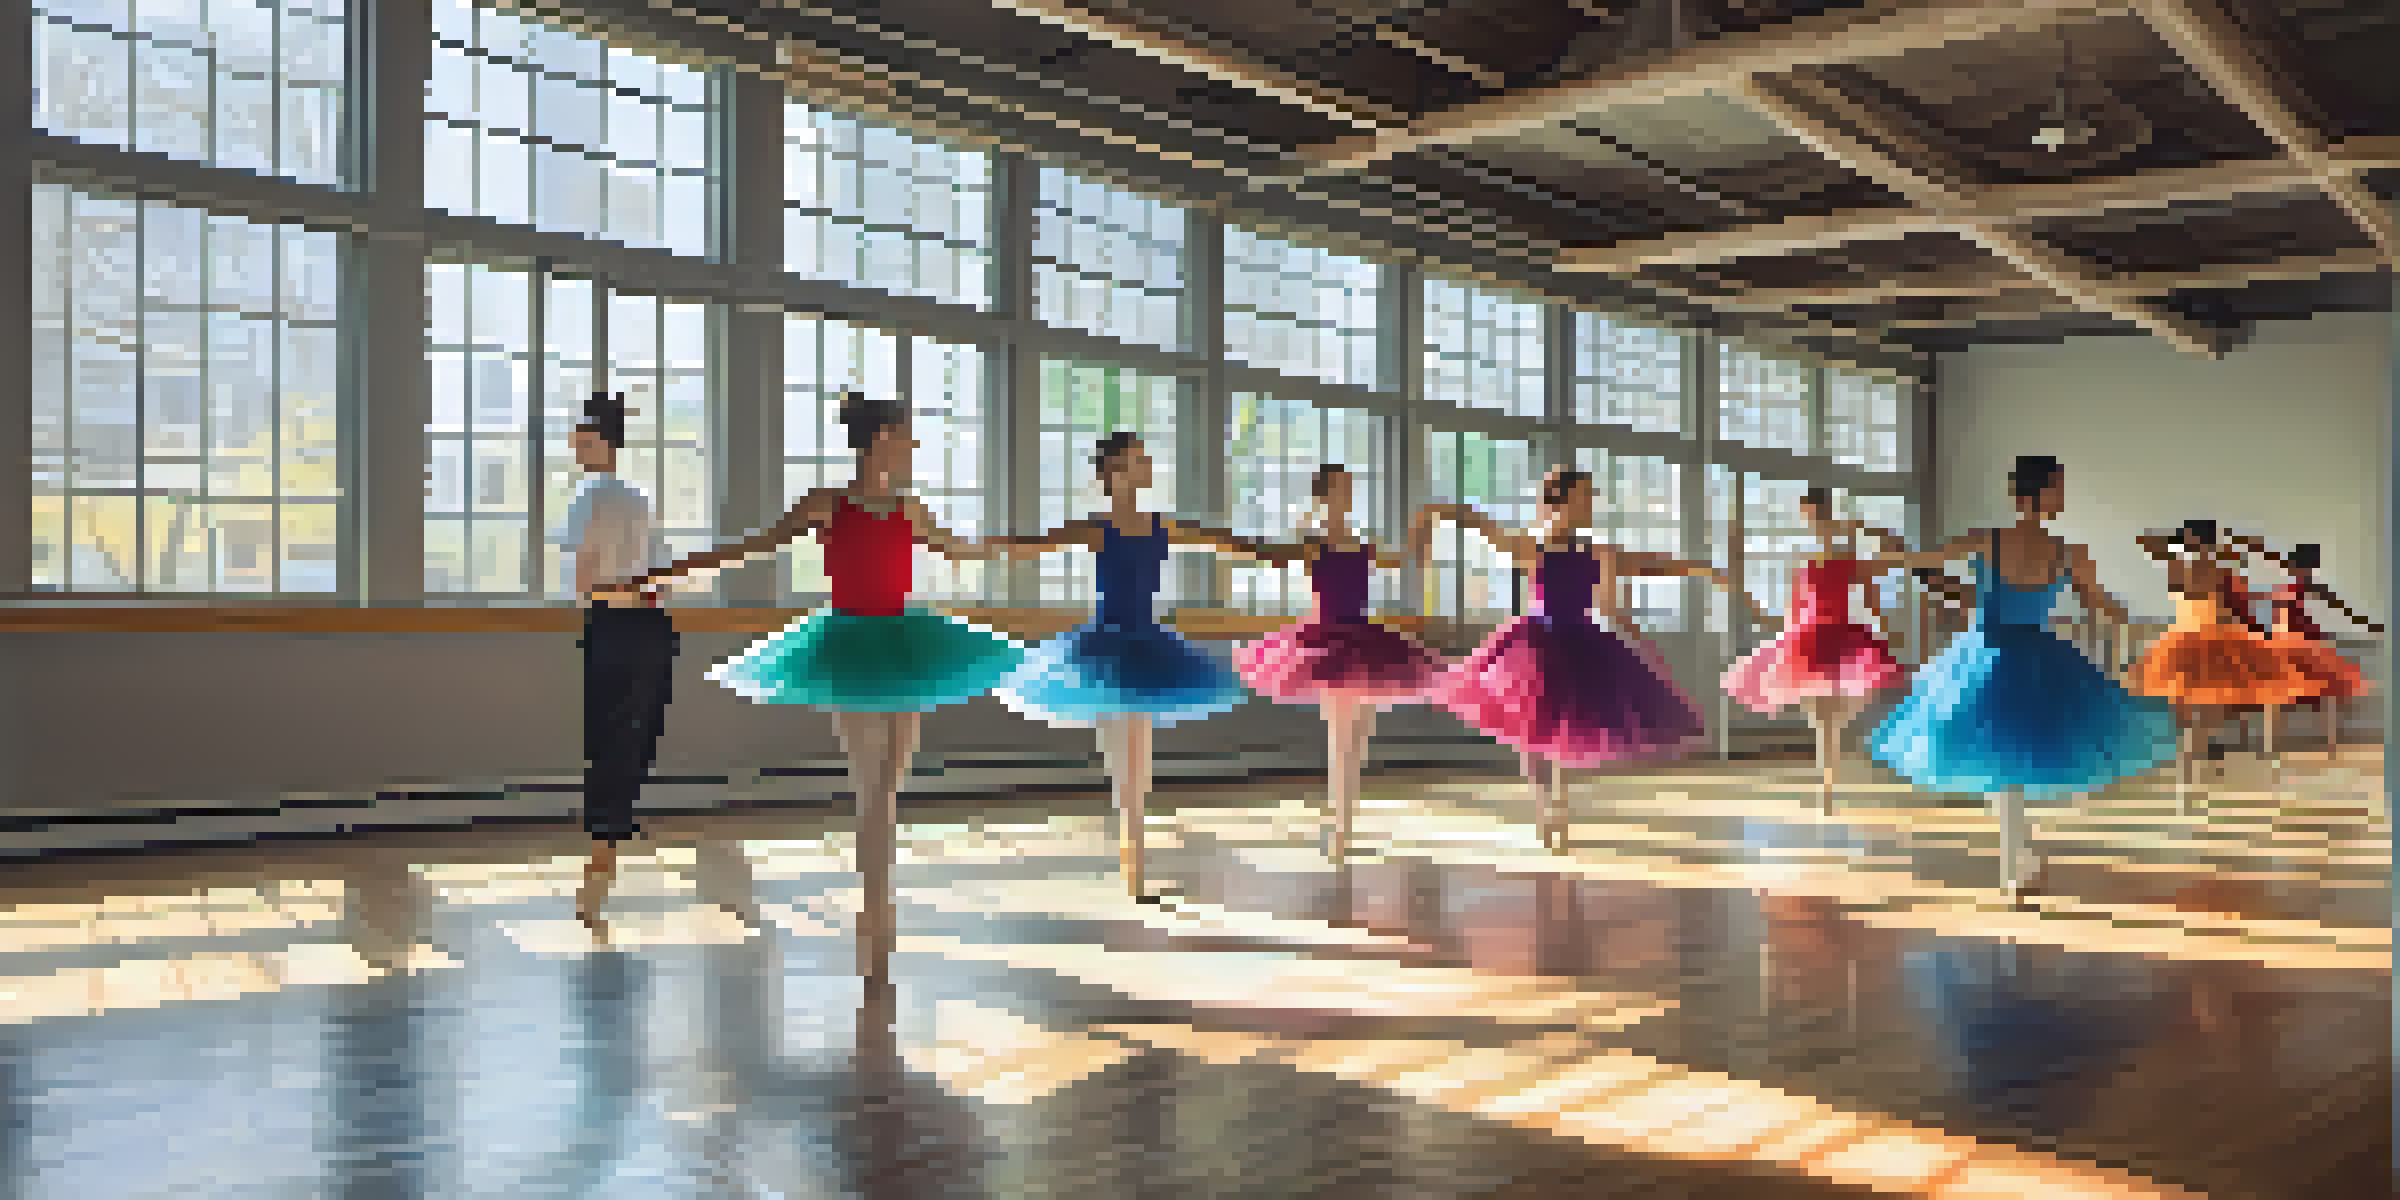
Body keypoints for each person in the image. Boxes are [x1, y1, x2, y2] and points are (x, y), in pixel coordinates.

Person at [598, 392, 1021, 971]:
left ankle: (877, 902)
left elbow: (963, 550)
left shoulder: (911, 509)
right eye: (905, 435)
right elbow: (753, 548)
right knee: (869, 784)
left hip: (906, 643)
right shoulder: (828, 503)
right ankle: (876, 911)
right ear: (880, 440)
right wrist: (672, 574)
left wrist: (1025, 547)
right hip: (847, 645)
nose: (912, 446)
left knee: (889, 787)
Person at [1409, 467, 1767, 850]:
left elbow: (1640, 571)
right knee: (1535, 733)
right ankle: (1544, 809)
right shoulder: (1533, 546)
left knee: (1565, 727)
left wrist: (1698, 575)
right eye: (1584, 496)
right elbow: (1480, 524)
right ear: (1559, 502)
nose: (1591, 503)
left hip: (1582, 641)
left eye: (1591, 496)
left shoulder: (1598, 552)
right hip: (1536, 642)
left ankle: (1557, 806)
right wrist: (1435, 512)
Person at [1872, 455, 2178, 900]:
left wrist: (1889, 548)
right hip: (2034, 658)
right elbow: (2104, 608)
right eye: (2059, 487)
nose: (2063, 496)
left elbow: (1919, 558)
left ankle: (2016, 858)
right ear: (2044, 492)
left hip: (1988, 656)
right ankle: (2018, 857)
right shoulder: (2068, 553)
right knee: (2011, 764)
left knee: (2004, 765)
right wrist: (2141, 624)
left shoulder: (1988, 541)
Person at [989, 432, 1258, 899]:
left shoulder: (1162, 525)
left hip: (1148, 640)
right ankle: (1130, 856)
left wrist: (1265, 549)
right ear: (1114, 472)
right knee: (1123, 749)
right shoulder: (1096, 528)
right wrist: (982, 545)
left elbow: (1218, 540)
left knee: (1139, 752)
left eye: (1146, 459)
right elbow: (1034, 546)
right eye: (1138, 460)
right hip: (1105, 643)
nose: (1148, 465)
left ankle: (1133, 857)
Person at [1232, 464, 1451, 858]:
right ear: (1324, 494)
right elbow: (1278, 555)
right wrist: (1300, 528)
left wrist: (1424, 527)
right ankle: (1337, 833)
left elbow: (1401, 561)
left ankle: (1345, 825)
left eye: (1350, 488)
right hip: (1326, 640)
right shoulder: (1313, 542)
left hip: (1364, 638)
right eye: (1341, 488)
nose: (1348, 495)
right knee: (1340, 737)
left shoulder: (1360, 542)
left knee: (1359, 737)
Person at [562, 392, 679, 934]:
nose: (576, 448)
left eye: (584, 440)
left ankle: (602, 853)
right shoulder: (639, 497)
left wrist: (589, 601)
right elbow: (660, 569)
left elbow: (585, 570)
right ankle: (608, 844)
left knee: (604, 735)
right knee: (631, 736)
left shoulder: (590, 495)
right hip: (650, 626)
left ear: (606, 443)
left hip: (613, 624)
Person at [1720, 486, 1909, 811]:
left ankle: (1833, 776)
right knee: (1821, 718)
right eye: (1807, 515)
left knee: (1837, 715)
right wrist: (1782, 635)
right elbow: (1797, 606)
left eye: (1816, 513)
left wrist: (1860, 526)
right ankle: (1828, 786)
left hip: (1842, 636)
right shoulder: (1803, 559)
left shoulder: (1847, 556)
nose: (1811, 520)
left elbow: (1893, 553)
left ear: (1826, 512)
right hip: (1807, 639)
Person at [2131, 520, 2316, 784]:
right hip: (2191, 638)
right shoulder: (2193, 564)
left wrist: (2198, 543)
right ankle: (2194, 759)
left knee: (2209, 710)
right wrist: (2190, 542)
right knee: (2192, 712)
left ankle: (2195, 759)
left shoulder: (2202, 565)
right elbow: (2145, 538)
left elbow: (2148, 541)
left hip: (2209, 636)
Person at [2259, 543, 2381, 760]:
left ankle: (2278, 745)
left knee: (2285, 693)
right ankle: (2326, 745)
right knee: (2328, 688)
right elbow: (2342, 614)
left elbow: (2280, 623)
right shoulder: (2298, 589)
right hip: (2298, 646)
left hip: (2291, 646)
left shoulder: (2289, 589)